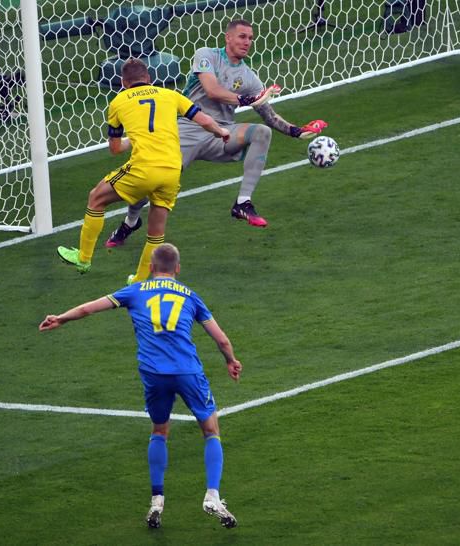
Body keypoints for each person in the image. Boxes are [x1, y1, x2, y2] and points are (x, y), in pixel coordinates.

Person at [39, 243, 243, 529]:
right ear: (178, 268)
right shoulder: (190, 296)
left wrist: (60, 318)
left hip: (153, 374)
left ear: (150, 267)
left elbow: (88, 308)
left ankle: (157, 500)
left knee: (159, 431)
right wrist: (231, 360)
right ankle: (212, 495)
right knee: (211, 430)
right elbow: (221, 339)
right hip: (187, 372)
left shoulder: (134, 291)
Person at [104, 17, 328, 245]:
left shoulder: (249, 78)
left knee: (262, 132)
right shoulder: (206, 55)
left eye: (250, 38)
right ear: (228, 37)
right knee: (152, 184)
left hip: (221, 134)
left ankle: (243, 203)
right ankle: (130, 222)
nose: (247, 42)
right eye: (242, 36)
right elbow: (212, 90)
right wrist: (247, 99)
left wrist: (297, 132)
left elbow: (268, 115)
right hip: (186, 131)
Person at [56, 58, 229, 281]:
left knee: (96, 197)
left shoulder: (118, 102)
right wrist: (221, 132)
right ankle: (139, 280)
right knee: (156, 232)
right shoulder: (170, 95)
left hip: (144, 168)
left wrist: (135, 138)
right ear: (149, 78)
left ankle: (83, 258)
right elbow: (204, 120)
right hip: (172, 170)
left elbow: (115, 149)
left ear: (123, 82)